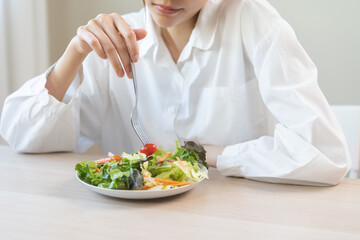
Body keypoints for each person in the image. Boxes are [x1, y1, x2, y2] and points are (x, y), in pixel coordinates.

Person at [0, 0, 351, 186]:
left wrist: (206, 154)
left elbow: (327, 155)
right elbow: (20, 135)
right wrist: (75, 52)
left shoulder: (253, 21)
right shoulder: (115, 38)